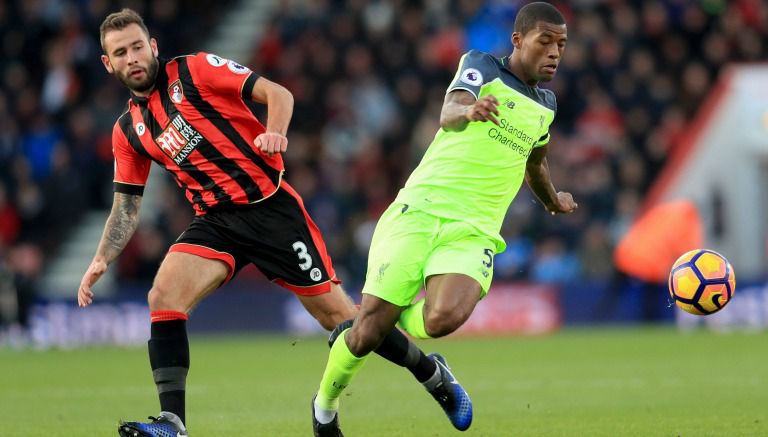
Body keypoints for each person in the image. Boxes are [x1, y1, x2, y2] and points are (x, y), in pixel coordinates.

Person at [80, 9, 455, 437]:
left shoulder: (194, 70)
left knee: (341, 318)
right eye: (120, 52)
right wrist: (101, 258)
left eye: (137, 47)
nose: (132, 58)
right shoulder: (128, 130)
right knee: (163, 295)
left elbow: (278, 93)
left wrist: (275, 131)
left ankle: (430, 372)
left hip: (270, 209)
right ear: (107, 63)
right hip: (216, 221)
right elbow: (126, 207)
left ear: (153, 46)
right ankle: (173, 423)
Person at [311, 2, 577, 435]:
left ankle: (383, 319)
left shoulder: (546, 105)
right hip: (419, 210)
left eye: (561, 45)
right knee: (363, 337)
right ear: (518, 40)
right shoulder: (482, 66)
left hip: (474, 230)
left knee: (441, 319)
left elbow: (536, 162)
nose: (554, 52)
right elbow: (449, 112)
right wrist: (469, 112)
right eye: (545, 41)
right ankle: (325, 407)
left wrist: (552, 201)